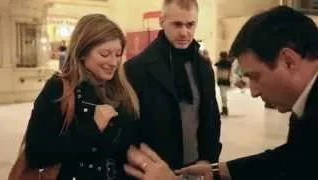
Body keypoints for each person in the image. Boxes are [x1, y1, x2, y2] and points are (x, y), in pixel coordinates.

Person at [124, 5, 318, 180]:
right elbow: (292, 159)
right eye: (177, 24)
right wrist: (219, 170)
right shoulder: (305, 110)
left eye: (255, 76)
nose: (253, 92)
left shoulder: (202, 65)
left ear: (289, 61)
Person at [23, 14, 140, 180]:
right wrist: (91, 128)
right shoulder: (59, 88)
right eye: (105, 54)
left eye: (118, 54)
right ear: (83, 53)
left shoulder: (122, 88)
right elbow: (36, 153)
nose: (114, 62)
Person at [124, 0, 222, 171]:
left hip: (198, 168)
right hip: (154, 171)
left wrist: (209, 160)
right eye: (177, 24)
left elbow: (211, 119)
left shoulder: (203, 67)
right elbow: (129, 129)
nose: (185, 32)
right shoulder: (136, 69)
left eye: (190, 24)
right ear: (162, 21)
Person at [215, 51, 232, 116]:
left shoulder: (219, 63)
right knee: (224, 94)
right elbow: (230, 72)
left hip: (221, 79)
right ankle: (225, 108)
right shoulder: (229, 63)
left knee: (223, 94)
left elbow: (217, 69)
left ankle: (224, 109)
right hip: (226, 79)